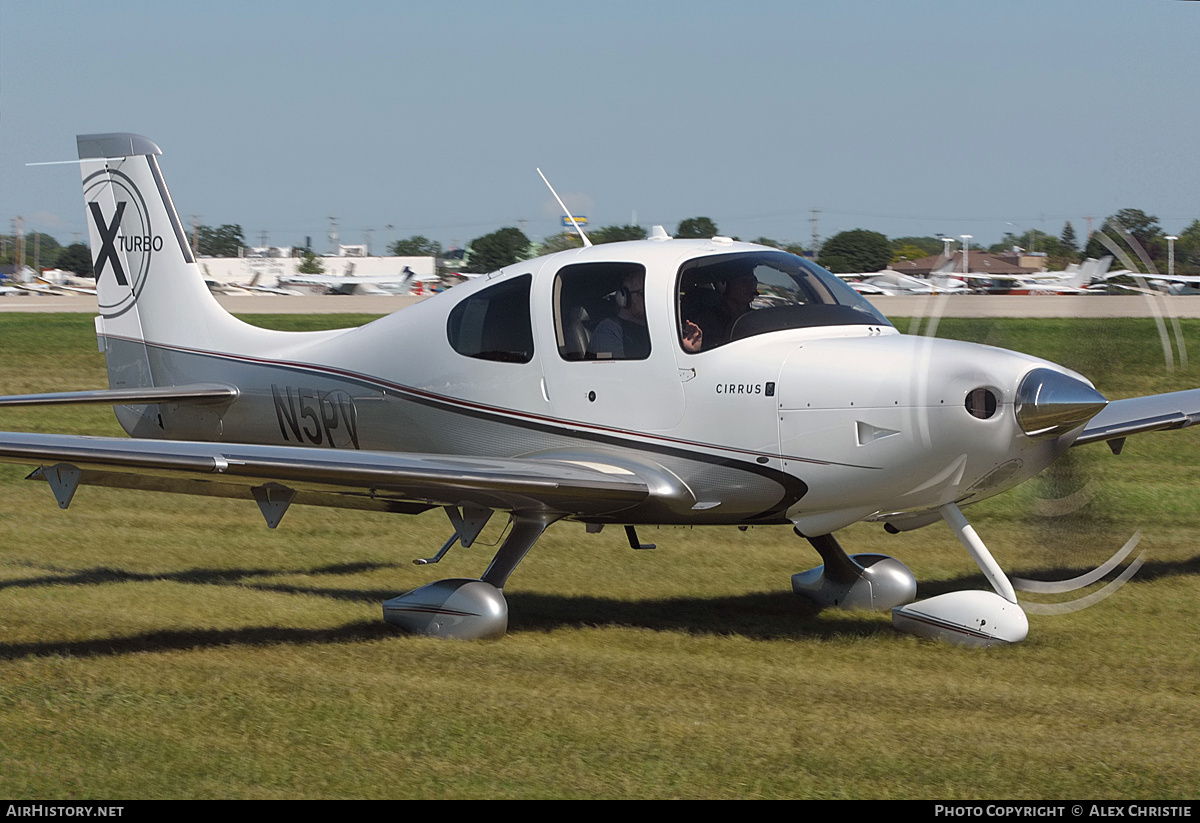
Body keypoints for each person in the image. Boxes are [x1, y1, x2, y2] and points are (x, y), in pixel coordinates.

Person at [682, 271, 757, 352]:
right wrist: (695, 349)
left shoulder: (758, 319)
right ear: (725, 286)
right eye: (744, 282)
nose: (751, 286)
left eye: (753, 281)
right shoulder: (706, 321)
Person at [589, 272, 650, 359]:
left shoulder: (652, 327)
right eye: (642, 293)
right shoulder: (608, 330)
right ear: (624, 297)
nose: (648, 297)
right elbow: (617, 370)